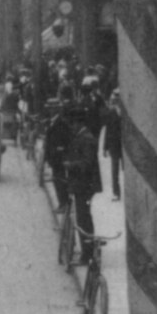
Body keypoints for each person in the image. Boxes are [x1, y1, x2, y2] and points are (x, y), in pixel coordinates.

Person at [64, 104, 102, 263]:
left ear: (77, 123)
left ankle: (87, 254)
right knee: (84, 217)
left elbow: (87, 164)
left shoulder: (86, 139)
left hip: (85, 185)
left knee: (83, 219)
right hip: (83, 184)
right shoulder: (83, 136)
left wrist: (70, 165)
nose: (71, 127)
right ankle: (89, 250)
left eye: (72, 123)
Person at [44, 100, 72, 213]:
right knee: (57, 180)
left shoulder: (61, 123)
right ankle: (62, 203)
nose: (49, 110)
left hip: (58, 157)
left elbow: (64, 141)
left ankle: (63, 204)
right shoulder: (53, 121)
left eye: (51, 108)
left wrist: (59, 151)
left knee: (60, 180)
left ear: (56, 109)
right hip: (54, 156)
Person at [102, 90, 123, 201]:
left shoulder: (126, 113)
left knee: (128, 169)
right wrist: (105, 148)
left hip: (125, 145)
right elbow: (108, 131)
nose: (116, 102)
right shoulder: (110, 113)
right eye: (115, 100)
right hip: (114, 144)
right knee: (114, 170)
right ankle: (116, 192)